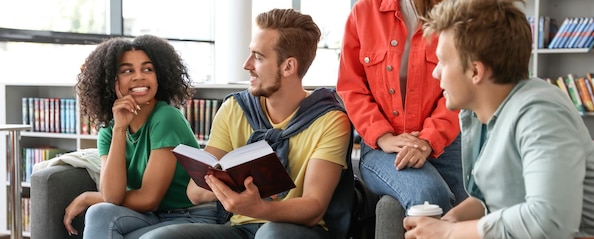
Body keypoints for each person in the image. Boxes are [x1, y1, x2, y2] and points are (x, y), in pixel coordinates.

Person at [140, 8, 353, 239]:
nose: (246, 64)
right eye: (250, 54)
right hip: (240, 229)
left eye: (258, 57)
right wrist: (229, 186)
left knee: (270, 235)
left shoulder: (330, 119)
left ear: (288, 66)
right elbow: (195, 193)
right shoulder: (234, 109)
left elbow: (314, 206)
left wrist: (259, 208)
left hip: (299, 231)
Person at [403, 0, 594, 238]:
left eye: (442, 61)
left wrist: (449, 232)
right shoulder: (478, 114)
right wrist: (450, 220)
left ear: (475, 71)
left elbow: (550, 221)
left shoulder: (540, 113)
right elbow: (495, 200)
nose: (435, 72)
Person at [64, 35, 217, 238]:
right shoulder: (110, 130)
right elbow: (112, 196)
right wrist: (120, 129)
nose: (139, 77)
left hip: (190, 215)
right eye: (127, 71)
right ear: (111, 80)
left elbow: (148, 199)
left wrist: (87, 198)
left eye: (148, 69)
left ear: (159, 75)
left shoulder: (166, 118)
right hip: (150, 216)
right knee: (99, 213)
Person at [336, 0, 467, 228]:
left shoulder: (455, 13)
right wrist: (383, 136)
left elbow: (459, 87)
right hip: (381, 146)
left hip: (444, 142)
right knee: (429, 195)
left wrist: (428, 139)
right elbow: (351, 87)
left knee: (467, 215)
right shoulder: (363, 11)